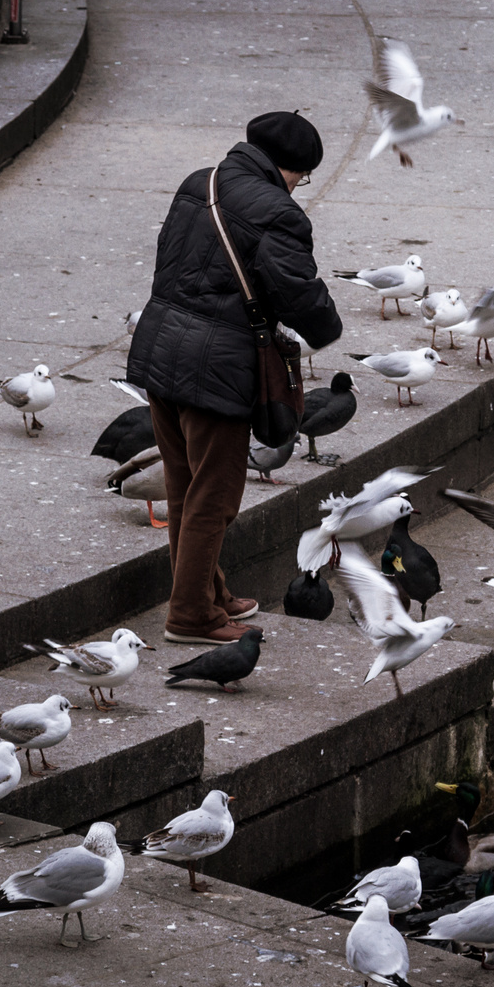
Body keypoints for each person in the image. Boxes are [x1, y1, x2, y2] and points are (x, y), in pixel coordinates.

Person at [127, 112, 342, 644]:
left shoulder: (197, 182)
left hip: (160, 351)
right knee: (215, 498)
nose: (299, 187)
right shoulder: (277, 212)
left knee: (185, 487)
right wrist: (327, 328)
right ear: (288, 169)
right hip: (216, 369)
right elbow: (297, 290)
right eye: (303, 176)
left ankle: (210, 593)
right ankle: (190, 616)